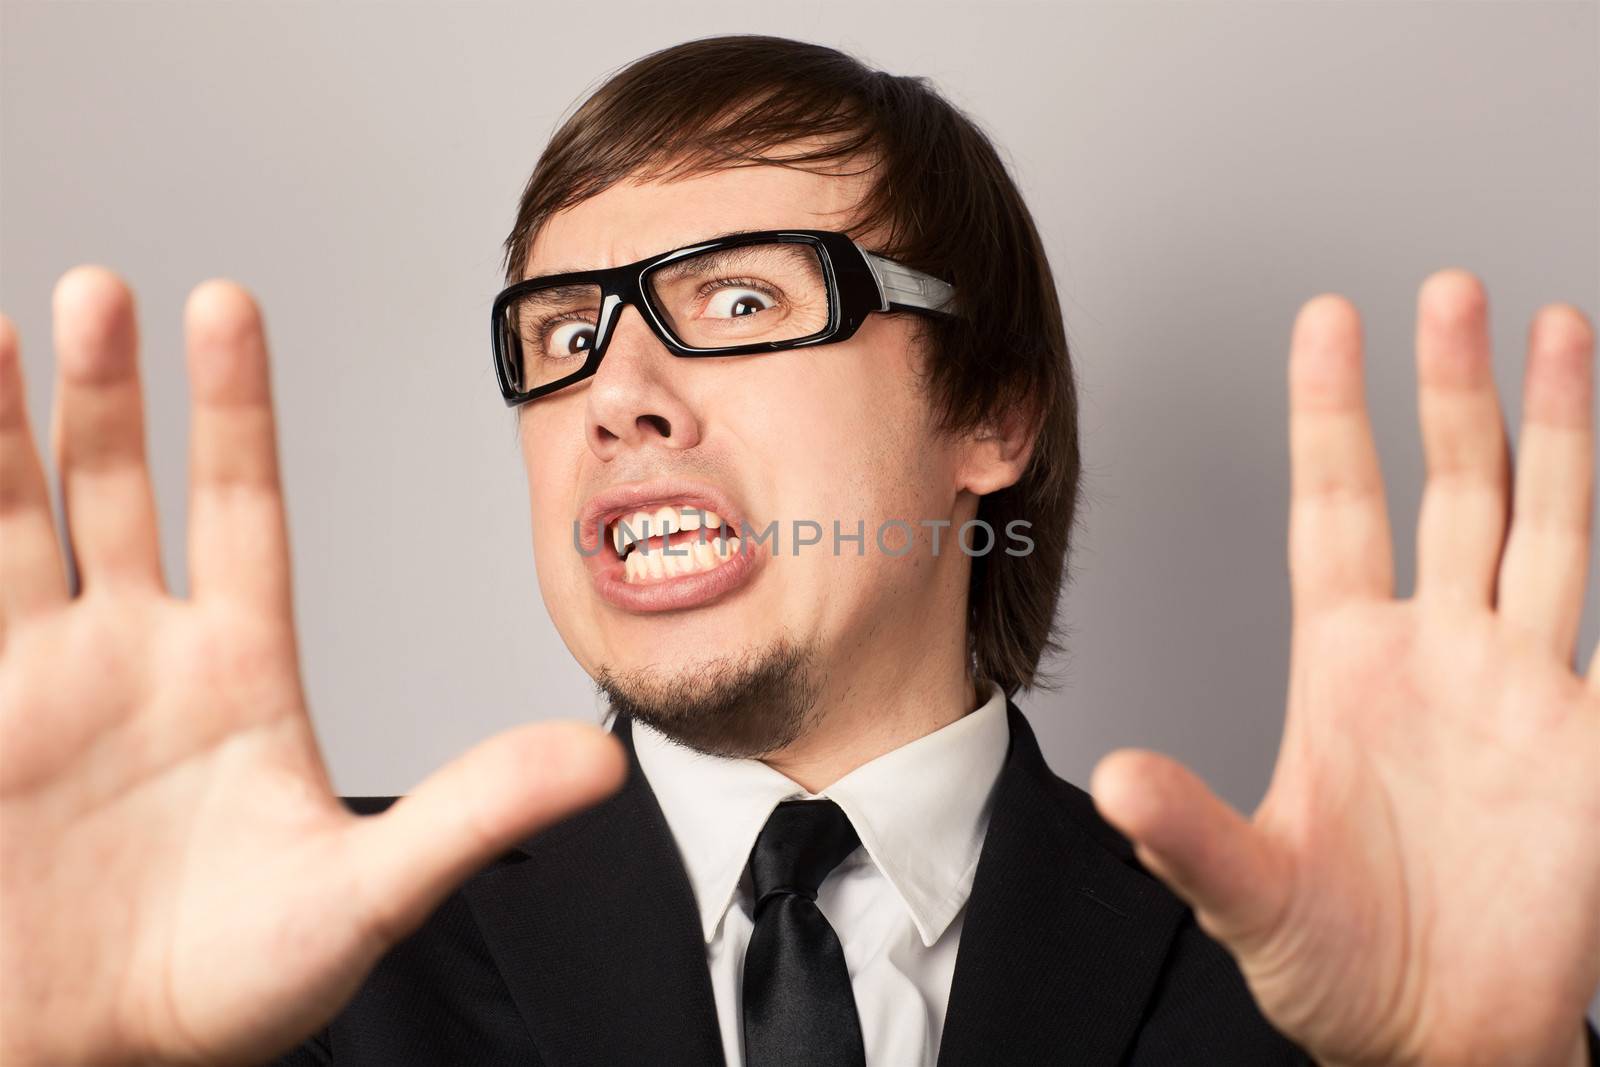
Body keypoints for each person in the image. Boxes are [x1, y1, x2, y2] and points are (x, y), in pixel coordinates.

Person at [0, 32, 1596, 1067]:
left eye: (743, 302)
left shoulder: (1303, 991)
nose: (616, 395)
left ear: (992, 416)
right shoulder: (276, 966)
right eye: (563, 334)